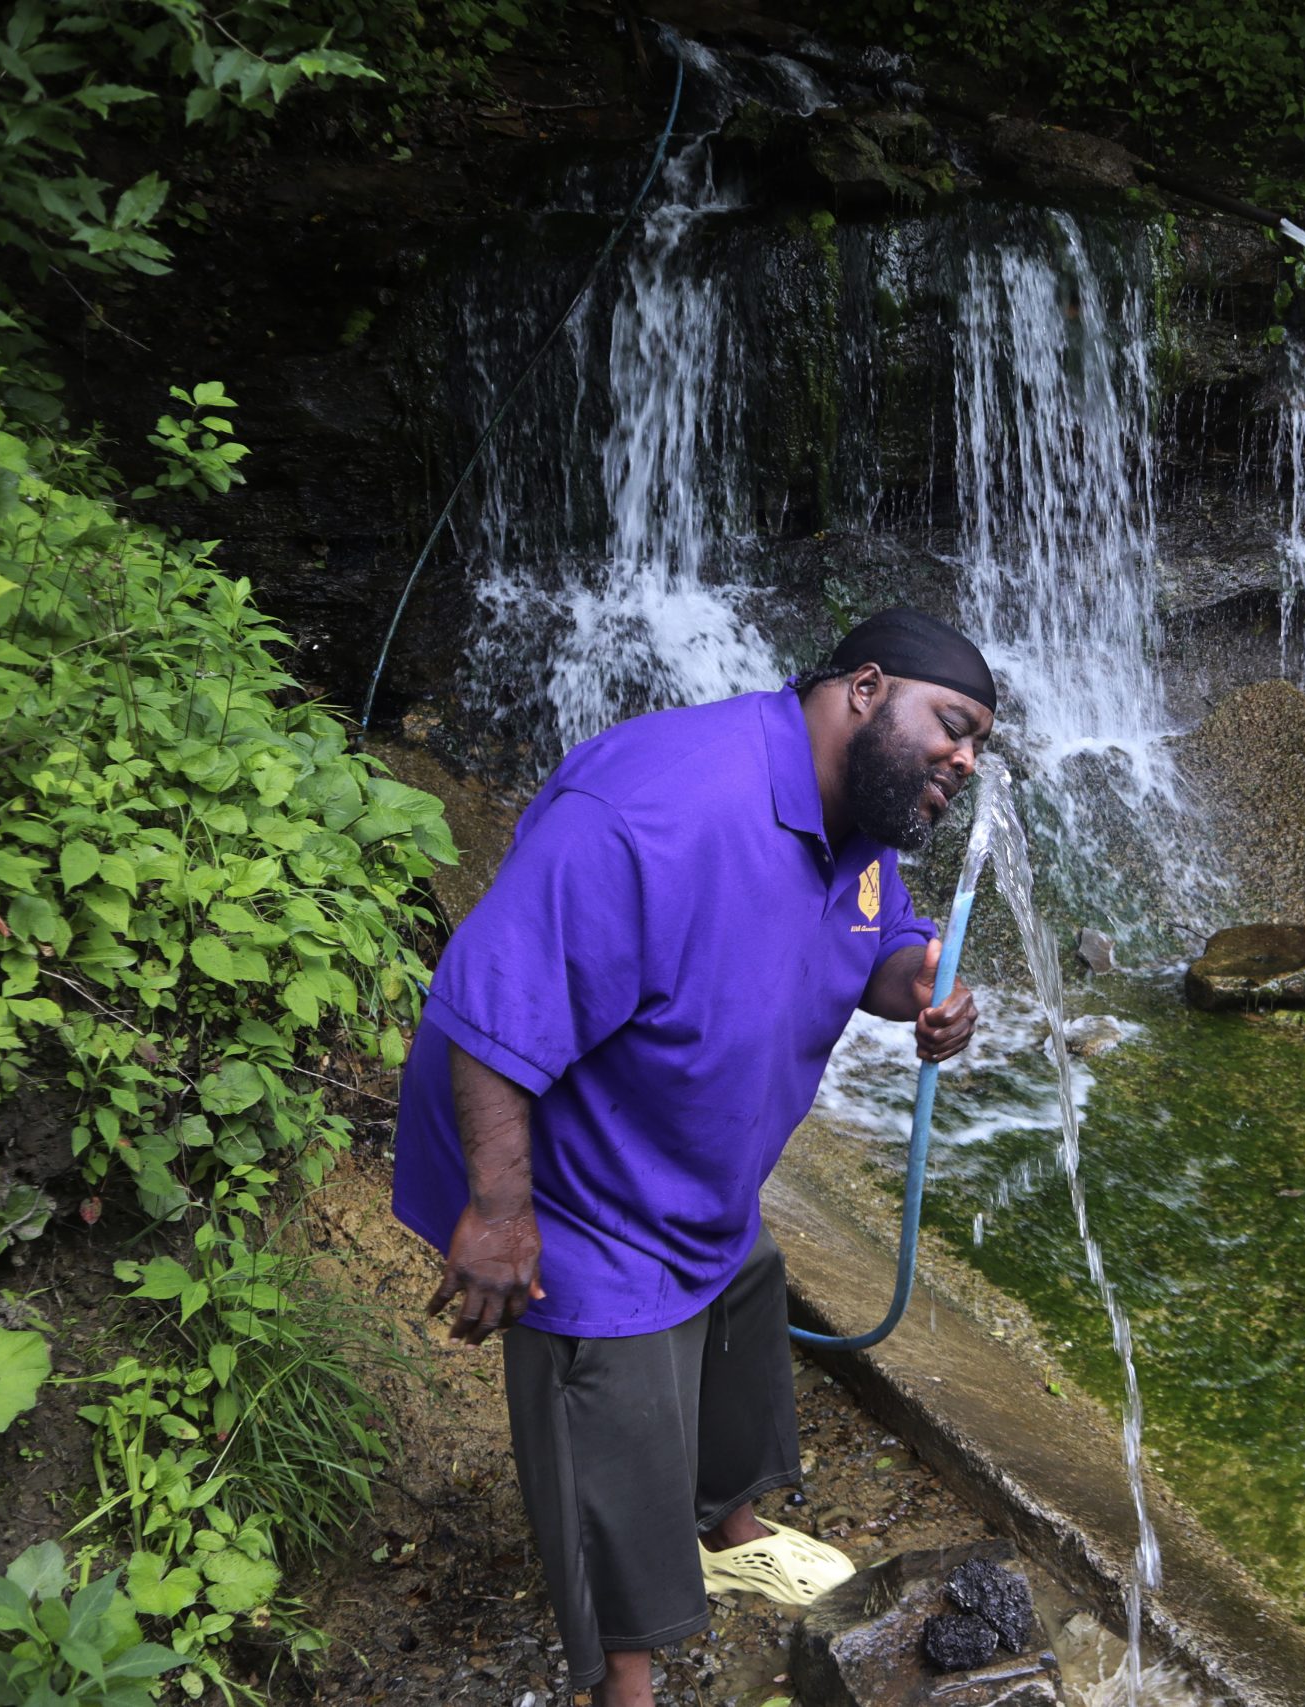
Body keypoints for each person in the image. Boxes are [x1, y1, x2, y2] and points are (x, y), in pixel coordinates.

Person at [390, 608, 997, 1707]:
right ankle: (624, 1672)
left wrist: (917, 989)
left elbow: (877, 929)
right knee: (610, 1401)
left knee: (739, 1299)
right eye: (952, 725)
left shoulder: (859, 807)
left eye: (978, 746)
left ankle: (730, 1524)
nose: (964, 758)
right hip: (574, 1181)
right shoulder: (653, 808)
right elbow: (487, 1008)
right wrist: (495, 1212)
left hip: (690, 1170)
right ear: (864, 688)